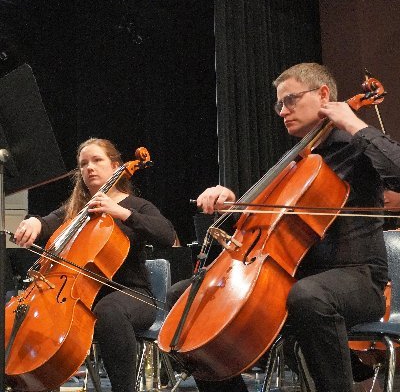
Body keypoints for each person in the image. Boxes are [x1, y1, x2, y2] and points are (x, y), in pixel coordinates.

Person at [172, 62, 400, 392]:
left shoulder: (355, 147)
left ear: (323, 94)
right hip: (294, 277)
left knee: (308, 297)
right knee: (186, 299)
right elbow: (261, 225)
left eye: (290, 99)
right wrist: (229, 203)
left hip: (359, 277)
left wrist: (353, 122)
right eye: (279, 104)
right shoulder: (295, 161)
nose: (282, 111)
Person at [14, 138, 176, 392]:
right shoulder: (78, 211)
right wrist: (34, 223)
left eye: (97, 160)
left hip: (133, 296)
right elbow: (47, 223)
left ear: (115, 166)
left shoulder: (136, 206)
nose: (89, 168)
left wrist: (121, 212)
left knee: (108, 310)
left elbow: (167, 235)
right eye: (83, 164)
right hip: (81, 300)